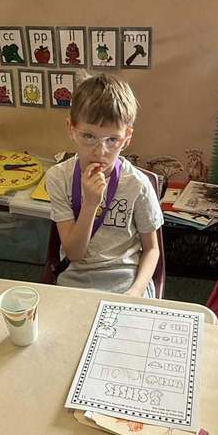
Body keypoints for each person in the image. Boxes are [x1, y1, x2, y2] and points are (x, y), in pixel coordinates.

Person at [46, 73, 162, 296]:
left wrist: (136, 291)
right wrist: (90, 205)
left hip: (125, 281)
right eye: (88, 136)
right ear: (71, 128)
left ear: (127, 136)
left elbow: (151, 249)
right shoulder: (58, 177)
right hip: (75, 279)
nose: (100, 151)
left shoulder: (138, 184)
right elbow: (75, 254)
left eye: (112, 140)